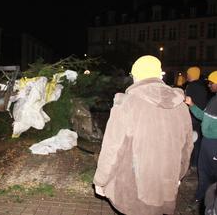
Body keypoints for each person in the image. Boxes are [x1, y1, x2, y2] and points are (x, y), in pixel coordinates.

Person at [93, 55, 193, 215]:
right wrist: (177, 176)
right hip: (166, 184)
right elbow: (187, 148)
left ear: (136, 76)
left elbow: (112, 148)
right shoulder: (181, 107)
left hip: (133, 186)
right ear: (159, 75)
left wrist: (100, 180)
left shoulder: (127, 104)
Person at [185, 71, 217, 206]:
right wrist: (191, 105)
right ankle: (201, 198)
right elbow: (204, 117)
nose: (209, 85)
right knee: (203, 172)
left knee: (213, 175)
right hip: (207, 142)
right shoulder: (214, 99)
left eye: (211, 83)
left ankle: (211, 203)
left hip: (214, 143)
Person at [185, 67, 209, 170]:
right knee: (197, 141)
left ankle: (188, 165)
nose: (187, 75)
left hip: (192, 118)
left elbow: (187, 102)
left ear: (191, 75)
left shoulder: (191, 86)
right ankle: (195, 164)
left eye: (188, 74)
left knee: (189, 142)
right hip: (200, 118)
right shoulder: (203, 86)